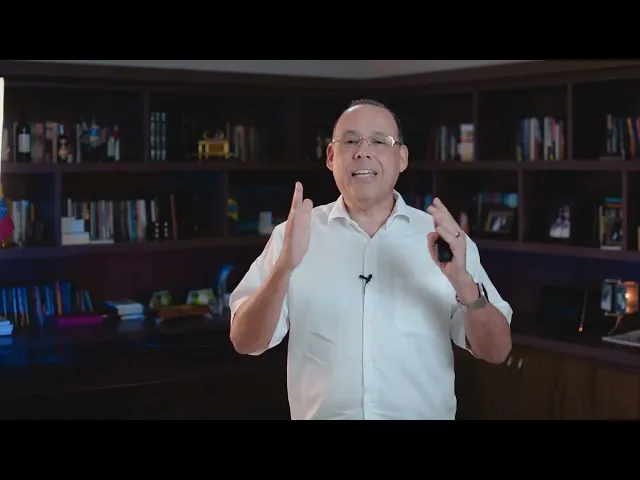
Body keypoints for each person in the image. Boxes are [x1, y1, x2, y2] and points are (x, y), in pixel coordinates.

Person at [229, 99, 513, 420]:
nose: (363, 151)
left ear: (402, 158)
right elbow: (244, 341)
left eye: (379, 141)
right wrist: (284, 268)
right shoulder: (292, 235)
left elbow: (497, 351)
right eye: (350, 141)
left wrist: (463, 282)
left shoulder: (444, 239)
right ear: (331, 156)